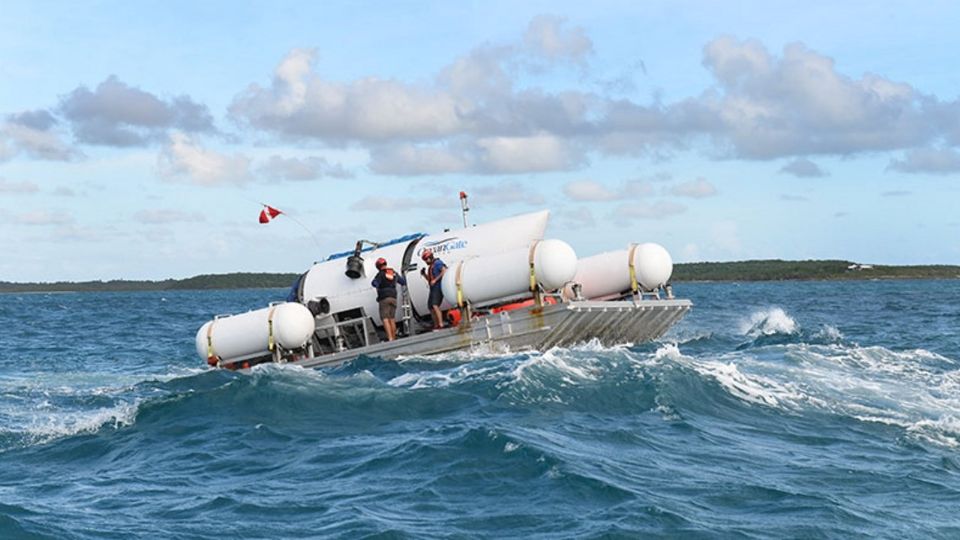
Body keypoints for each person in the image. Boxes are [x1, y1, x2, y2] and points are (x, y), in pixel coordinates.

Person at [370, 257, 406, 341]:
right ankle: (393, 337)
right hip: (393, 297)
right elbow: (403, 282)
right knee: (392, 318)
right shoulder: (393, 273)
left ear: (378, 266)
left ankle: (390, 338)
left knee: (385, 318)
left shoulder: (380, 274)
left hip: (384, 298)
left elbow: (374, 283)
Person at [420, 249, 447, 330]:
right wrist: (424, 274)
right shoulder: (431, 267)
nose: (426, 262)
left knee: (435, 305)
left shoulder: (437, 263)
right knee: (431, 307)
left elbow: (444, 270)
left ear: (430, 257)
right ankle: (436, 325)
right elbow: (430, 279)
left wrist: (436, 280)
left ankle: (441, 324)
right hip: (433, 288)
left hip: (438, 287)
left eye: (426, 259)